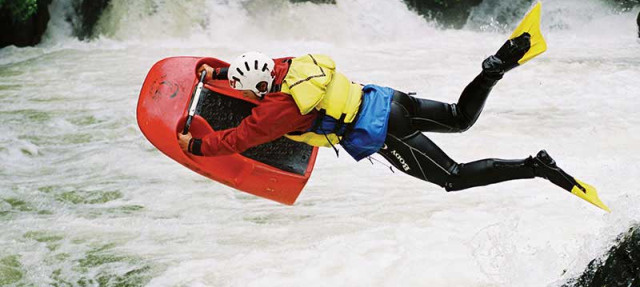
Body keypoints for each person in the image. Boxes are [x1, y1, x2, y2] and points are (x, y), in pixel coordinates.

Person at [177, 35, 568, 194]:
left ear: (261, 87)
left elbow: (239, 139)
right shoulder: (288, 65)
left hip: (382, 130)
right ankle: (496, 66)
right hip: (388, 98)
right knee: (459, 117)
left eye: (245, 89)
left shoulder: (279, 109)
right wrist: (221, 72)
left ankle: (536, 166)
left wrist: (195, 144)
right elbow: (254, 72)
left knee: (452, 177)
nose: (242, 93)